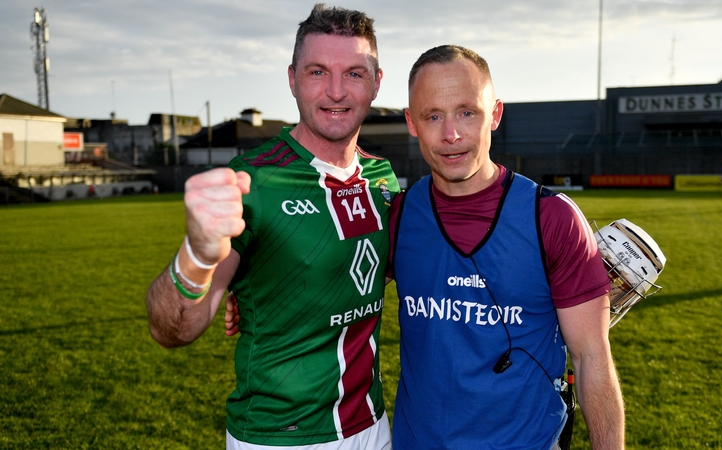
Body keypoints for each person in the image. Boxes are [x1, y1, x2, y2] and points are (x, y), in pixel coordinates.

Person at [145, 4, 399, 449]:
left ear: (376, 82)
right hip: (278, 437)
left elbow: (380, 268)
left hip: (372, 426)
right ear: (292, 79)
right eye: (318, 72)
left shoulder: (382, 177)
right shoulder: (253, 181)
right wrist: (196, 257)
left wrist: (273, 288)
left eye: (354, 73)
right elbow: (174, 330)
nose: (336, 91)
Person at [388, 45, 625, 449]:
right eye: (433, 116)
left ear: (495, 114)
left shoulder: (552, 218)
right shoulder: (398, 215)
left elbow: (591, 358)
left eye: (467, 112)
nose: (451, 134)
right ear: (412, 122)